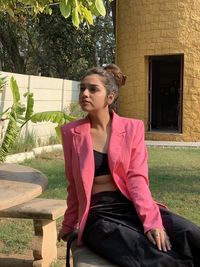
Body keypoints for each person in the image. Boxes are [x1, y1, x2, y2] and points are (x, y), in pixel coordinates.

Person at [58, 64, 200, 267]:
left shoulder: (132, 128)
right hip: (98, 215)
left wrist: (151, 221)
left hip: (130, 205)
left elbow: (137, 178)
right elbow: (73, 184)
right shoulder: (71, 133)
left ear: (110, 97)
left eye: (93, 89)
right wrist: (69, 224)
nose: (85, 94)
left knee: (189, 233)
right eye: (82, 88)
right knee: (152, 254)